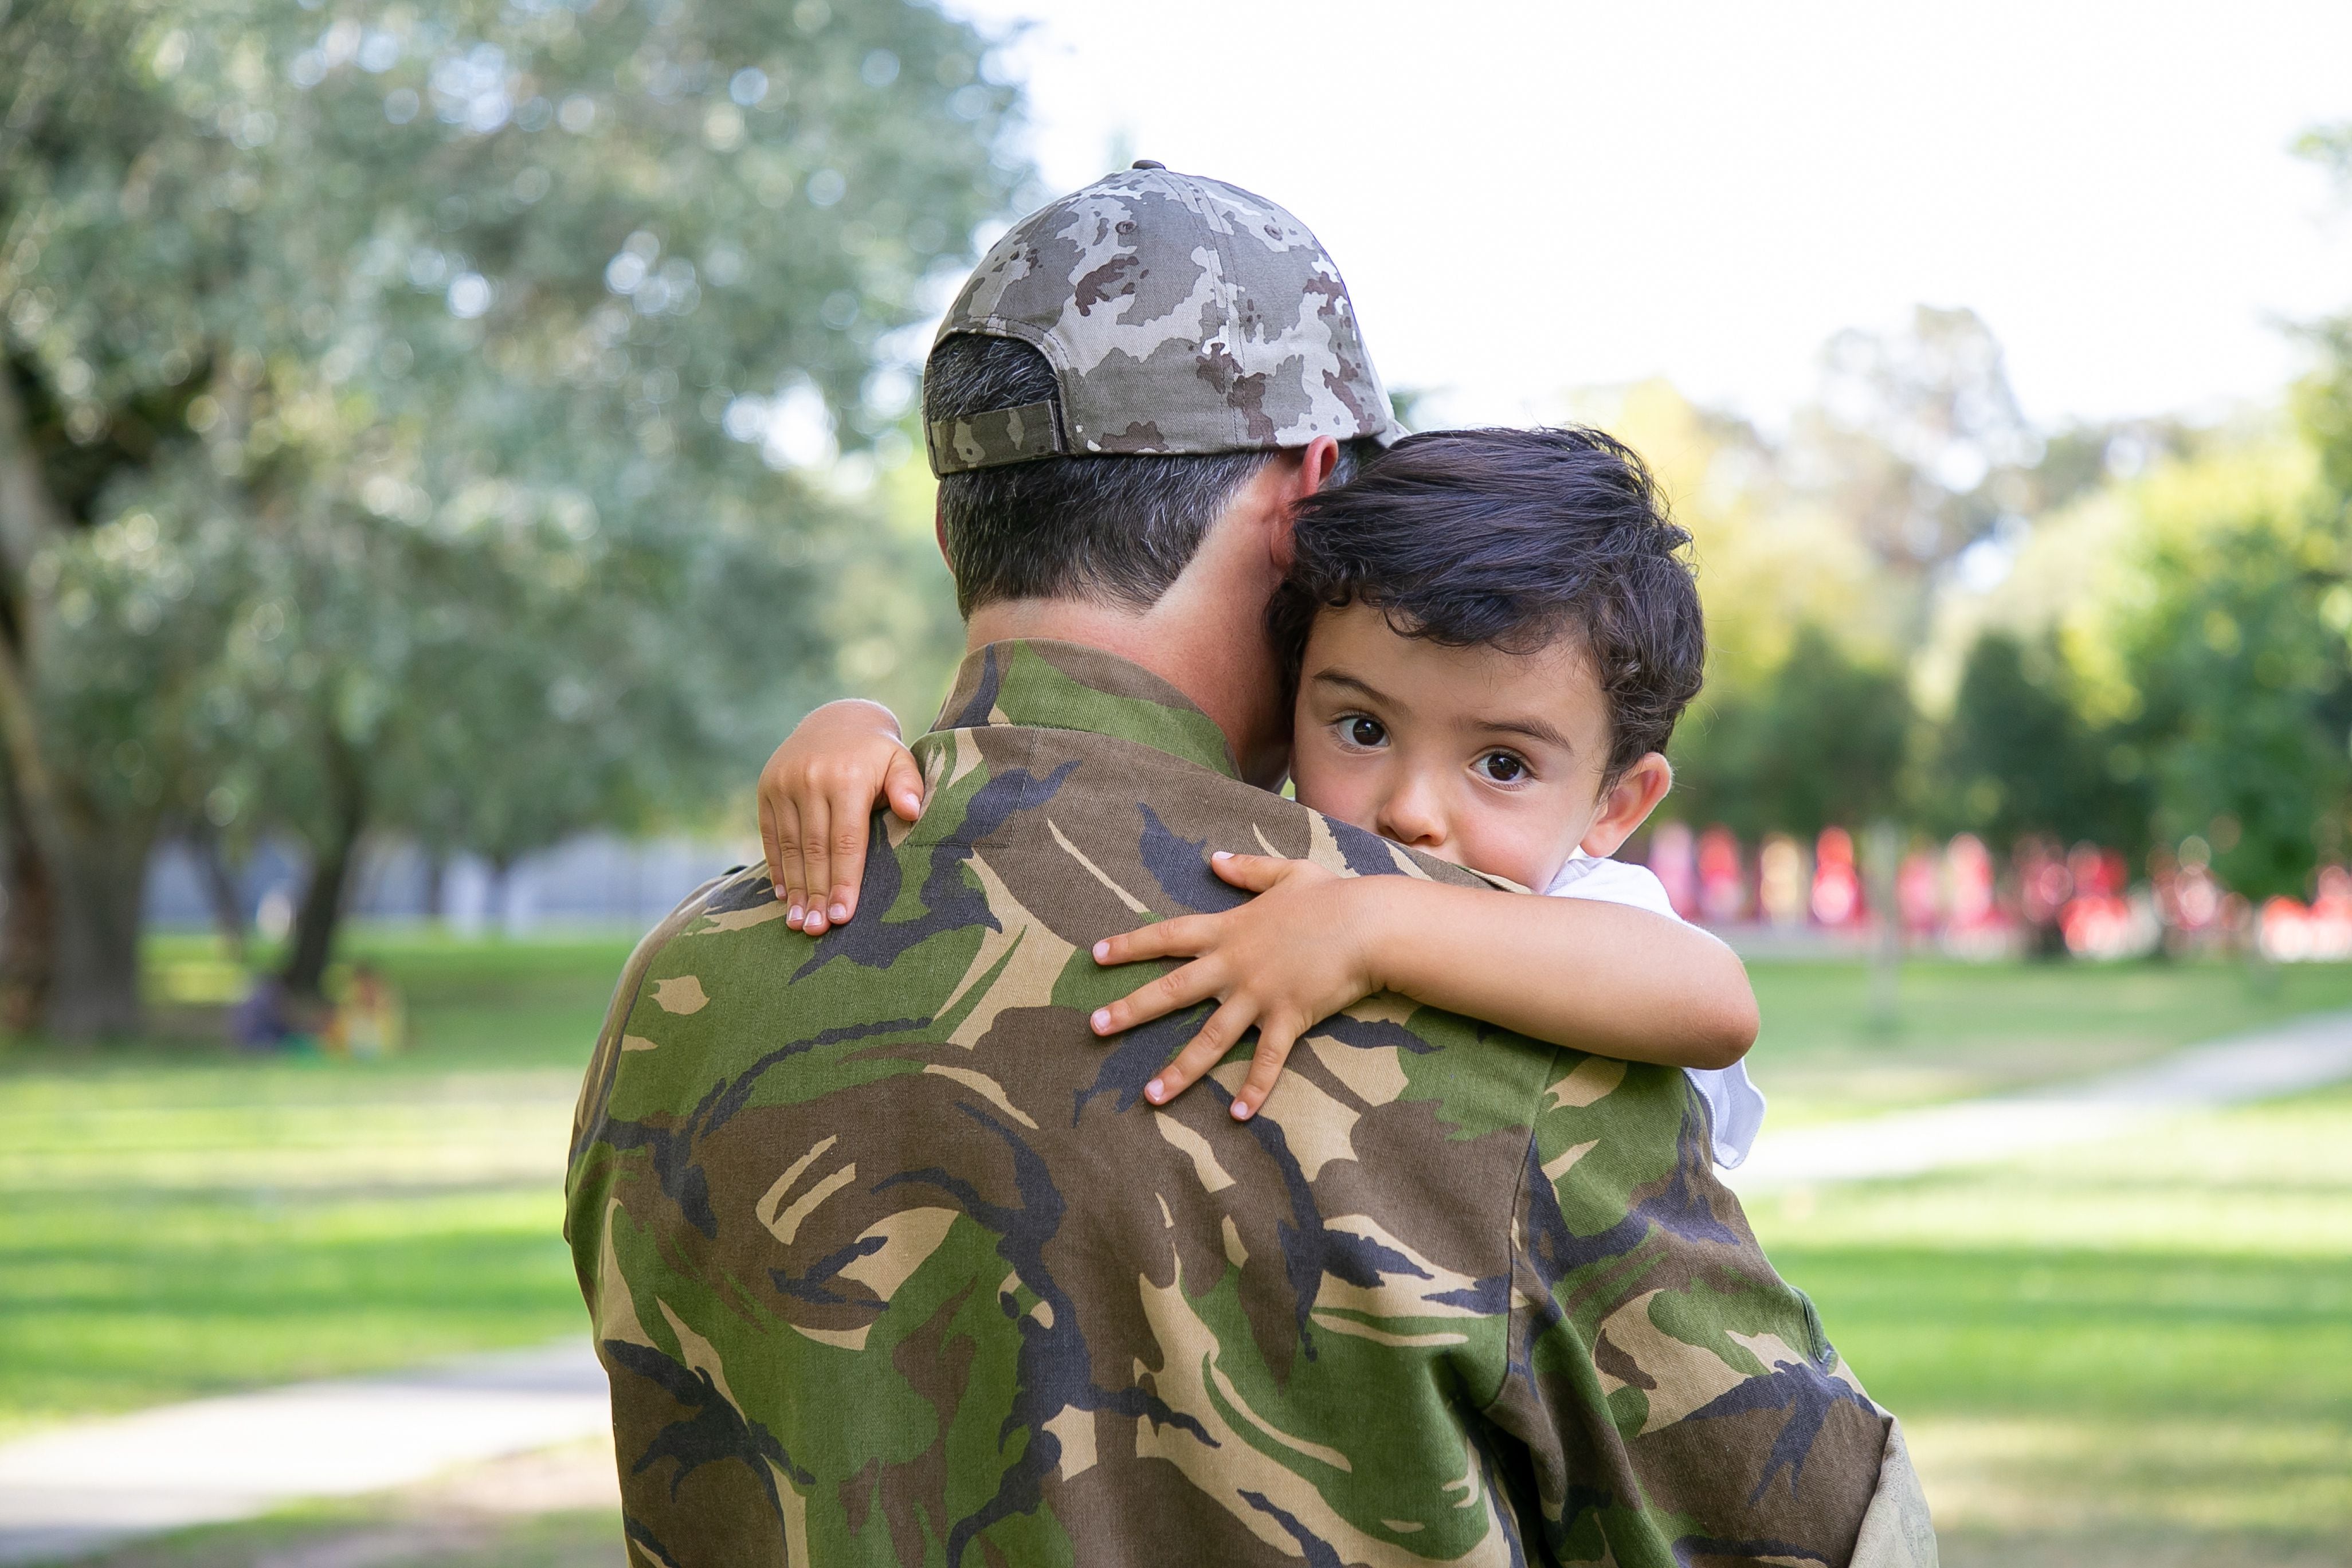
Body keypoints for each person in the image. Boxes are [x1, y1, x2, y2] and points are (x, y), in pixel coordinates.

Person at [565, 164, 1935, 1567]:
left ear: (949, 529)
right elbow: (1815, 1532)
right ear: (1311, 502)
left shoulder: (685, 982)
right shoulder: (1494, 1010)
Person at [761, 425, 1773, 1167]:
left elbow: (1715, 1006)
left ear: (1615, 806)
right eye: (1363, 730)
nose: (1412, 809)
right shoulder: (1280, 849)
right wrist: (860, 728)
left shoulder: (1592, 907)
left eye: (1502, 764)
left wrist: (1371, 926)